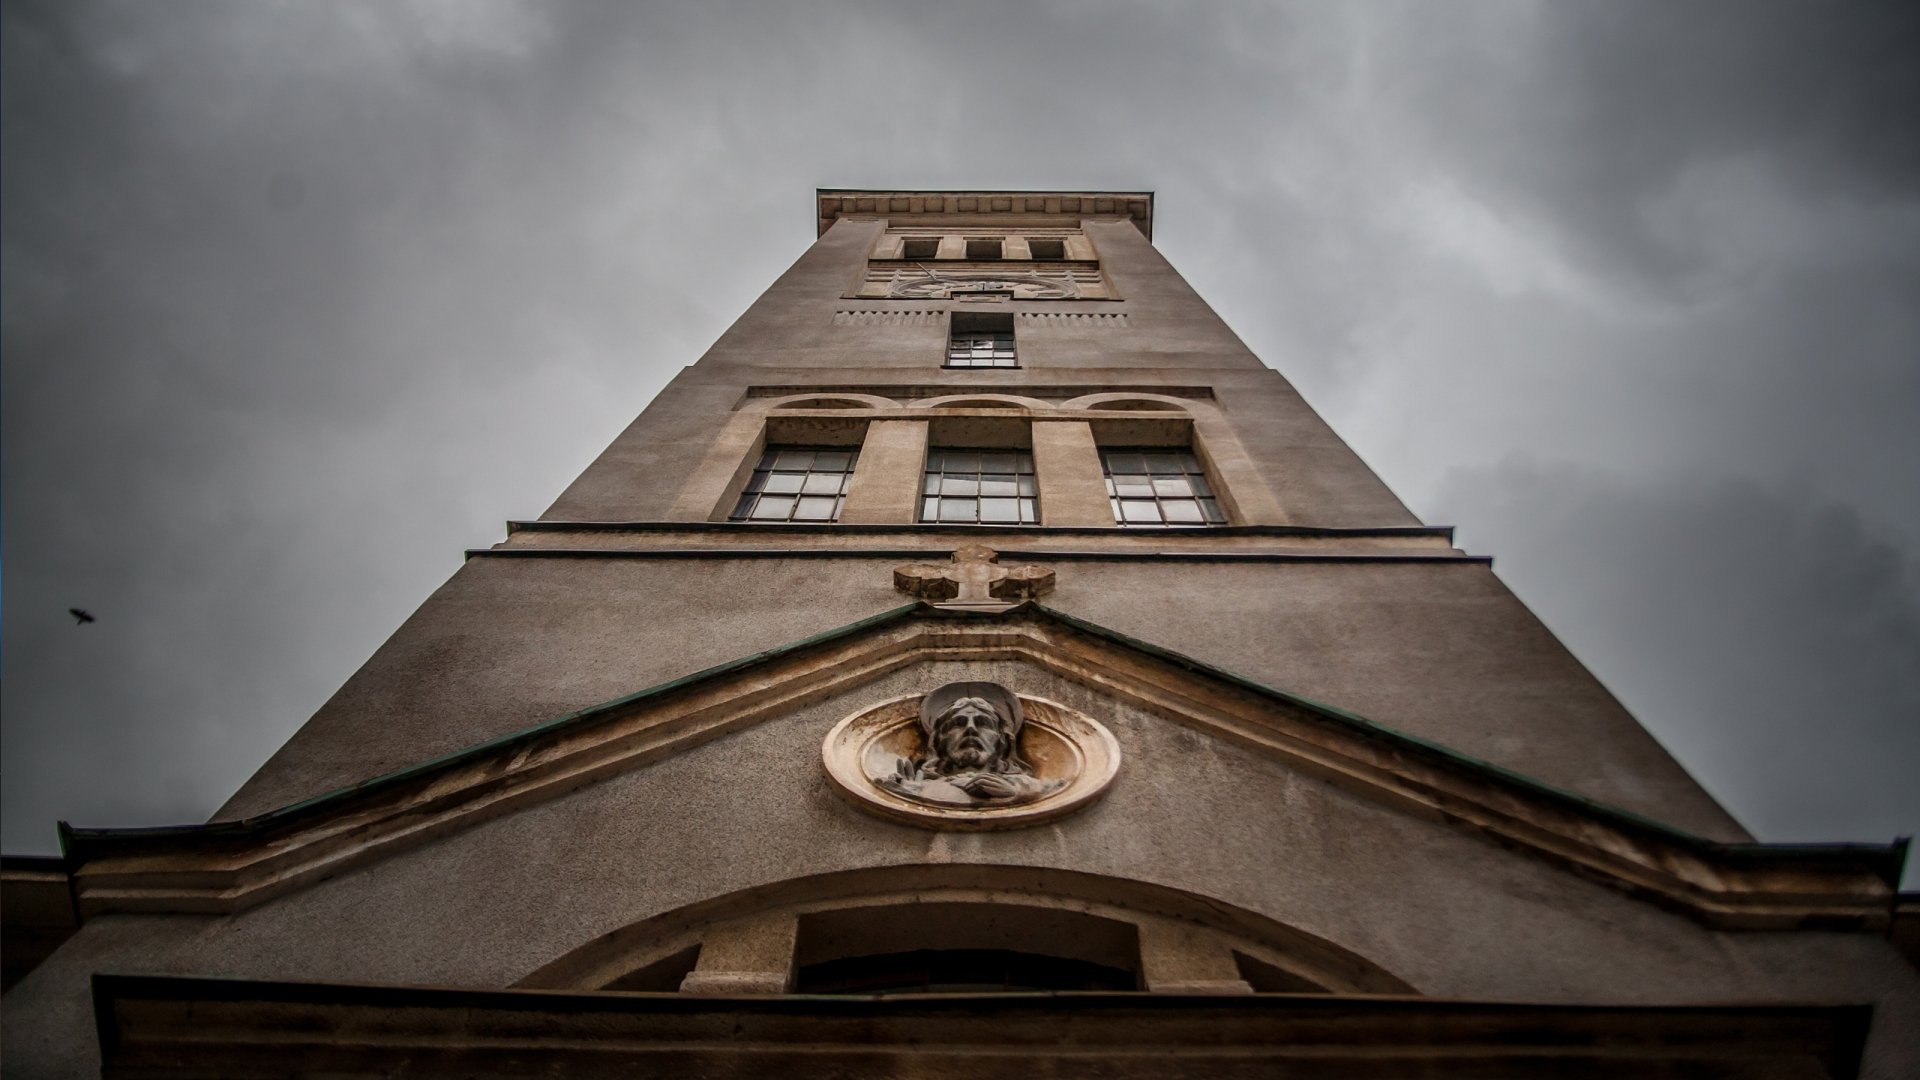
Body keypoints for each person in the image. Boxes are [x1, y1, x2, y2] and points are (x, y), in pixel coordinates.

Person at [878, 681, 1063, 807]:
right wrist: (912, 795)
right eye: (958, 724)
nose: (971, 729)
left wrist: (1014, 793)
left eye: (983, 723)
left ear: (1002, 741)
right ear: (939, 742)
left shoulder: (1032, 787)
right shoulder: (916, 788)